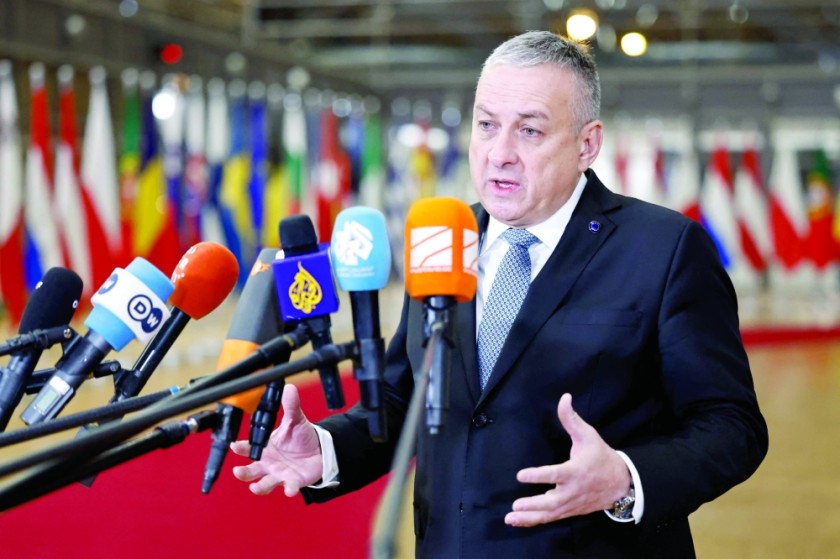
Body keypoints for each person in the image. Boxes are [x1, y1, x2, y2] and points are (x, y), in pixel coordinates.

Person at [231, 30, 768, 557]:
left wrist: (625, 480)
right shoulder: (442, 237)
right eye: (486, 125)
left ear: (588, 144)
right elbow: (405, 401)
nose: (499, 153)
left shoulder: (666, 249)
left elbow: (731, 425)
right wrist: (324, 450)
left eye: (529, 131)